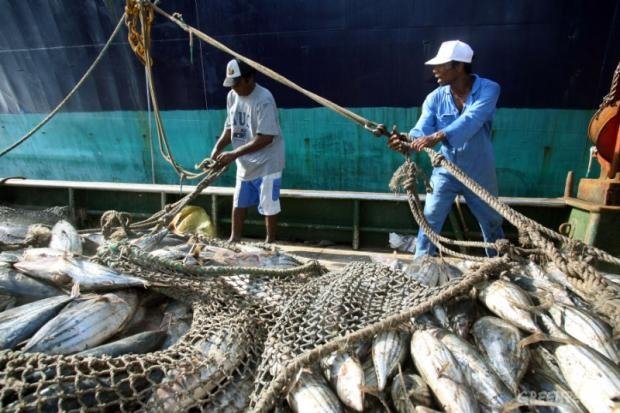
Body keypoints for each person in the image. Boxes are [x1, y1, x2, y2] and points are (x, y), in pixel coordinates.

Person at [380, 40, 504, 257]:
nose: (434, 69)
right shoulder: (434, 98)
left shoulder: (489, 89)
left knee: (492, 222)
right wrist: (405, 140)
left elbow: (473, 118)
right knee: (429, 221)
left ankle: (500, 263)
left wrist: (438, 135)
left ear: (459, 66)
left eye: (441, 65)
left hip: (479, 171)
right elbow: (421, 129)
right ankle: (421, 267)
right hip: (445, 170)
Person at [210, 58, 285, 243]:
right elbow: (230, 128)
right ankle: (234, 239)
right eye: (231, 84)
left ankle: (270, 241)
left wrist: (234, 154)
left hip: (268, 161)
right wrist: (217, 148)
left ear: (249, 78)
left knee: (269, 204)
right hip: (245, 162)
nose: (234, 88)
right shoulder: (231, 96)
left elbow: (266, 137)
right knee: (239, 202)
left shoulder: (264, 99)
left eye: (237, 83)